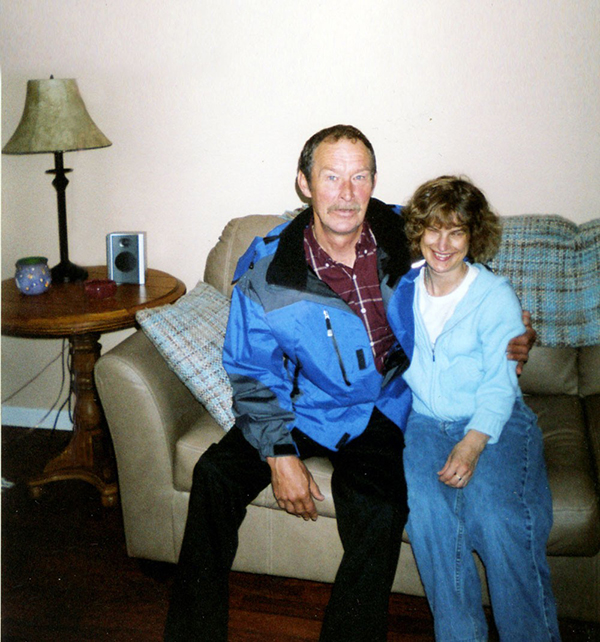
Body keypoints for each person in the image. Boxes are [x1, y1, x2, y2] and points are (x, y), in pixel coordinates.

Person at [164, 127, 534, 642]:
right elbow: (252, 369)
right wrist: (279, 455)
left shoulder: (406, 236)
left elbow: (464, 276)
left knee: (381, 510)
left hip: (381, 406)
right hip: (301, 404)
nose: (346, 193)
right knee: (213, 476)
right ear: (304, 184)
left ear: (374, 182)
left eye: (359, 177)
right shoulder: (270, 270)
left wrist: (513, 327)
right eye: (331, 177)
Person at [391, 176, 560, 641]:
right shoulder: (401, 288)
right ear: (418, 230)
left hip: (494, 421)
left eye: (457, 232)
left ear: (473, 236)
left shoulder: (494, 296)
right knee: (429, 516)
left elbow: (501, 382)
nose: (442, 244)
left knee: (499, 518)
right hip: (423, 423)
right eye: (433, 229)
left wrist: (471, 443)